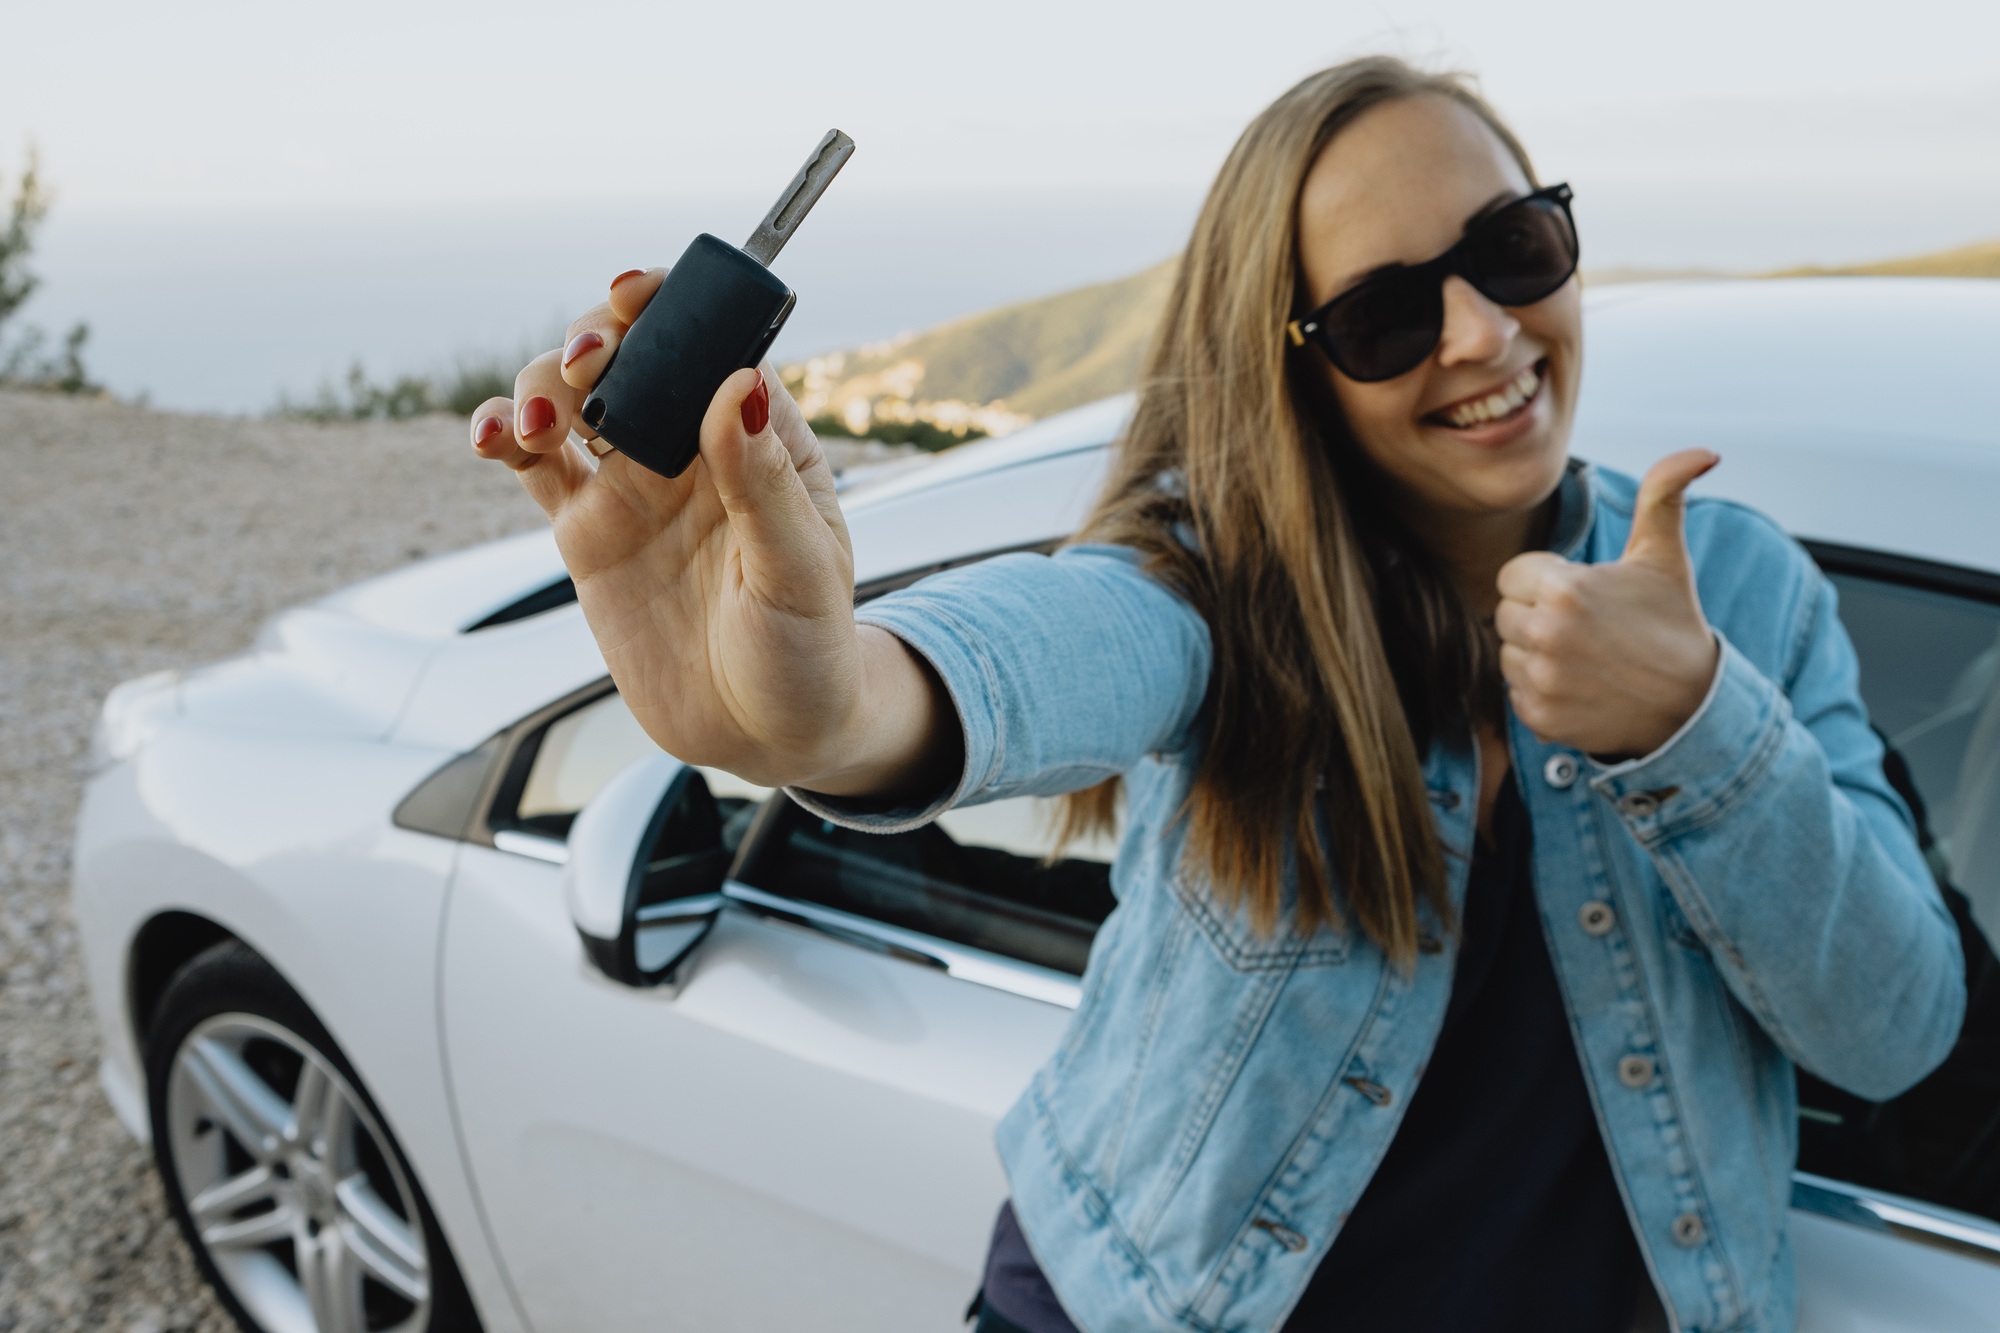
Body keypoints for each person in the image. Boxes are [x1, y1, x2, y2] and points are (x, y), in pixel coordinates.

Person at [467, 56, 1964, 1333]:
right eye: (1384, 317)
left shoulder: (1742, 594)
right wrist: (822, 703)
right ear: (1295, 366)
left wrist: (1692, 722)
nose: (1484, 336)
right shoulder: (1215, 578)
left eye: (1514, 248)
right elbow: (1053, 643)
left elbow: (1897, 1031)